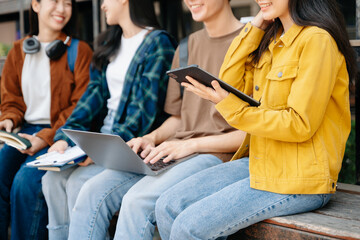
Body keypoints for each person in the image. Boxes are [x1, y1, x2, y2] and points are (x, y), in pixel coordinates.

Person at [154, 0, 358, 239]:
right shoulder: (272, 40)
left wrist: (230, 107)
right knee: (167, 205)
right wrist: (255, 27)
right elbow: (229, 82)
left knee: (188, 227)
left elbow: (299, 124)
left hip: (301, 178)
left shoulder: (317, 40)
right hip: (261, 162)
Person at [64, 0, 247, 239]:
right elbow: (180, 118)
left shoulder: (252, 43)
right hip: (176, 151)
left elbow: (255, 130)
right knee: (90, 190)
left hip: (218, 155)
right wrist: (150, 138)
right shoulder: (186, 46)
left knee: (136, 202)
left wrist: (189, 145)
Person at [41, 0, 176, 239]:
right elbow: (91, 97)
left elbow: (145, 113)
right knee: (51, 179)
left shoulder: (158, 44)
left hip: (129, 146)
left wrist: (100, 150)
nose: (102, 5)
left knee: (77, 184)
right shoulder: (108, 43)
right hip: (102, 140)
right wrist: (64, 137)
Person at [0, 0, 92, 239]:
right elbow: (12, 99)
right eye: (55, 1)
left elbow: (80, 107)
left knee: (25, 183)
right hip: (25, 131)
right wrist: (9, 119)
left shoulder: (79, 51)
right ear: (36, 5)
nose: (61, 9)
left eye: (68, 3)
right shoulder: (18, 51)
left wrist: (45, 138)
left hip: (61, 133)